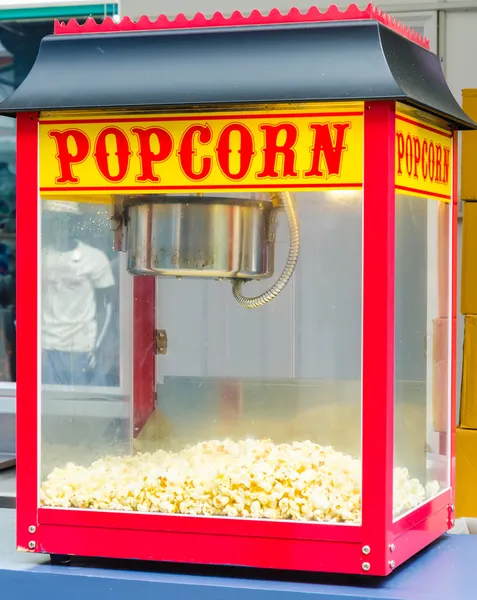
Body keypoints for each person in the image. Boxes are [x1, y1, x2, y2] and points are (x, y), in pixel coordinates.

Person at [41, 200, 115, 386]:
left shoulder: (94, 259)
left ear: (73, 223)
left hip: (81, 346)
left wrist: (98, 345)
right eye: (53, 220)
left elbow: (106, 305)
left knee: (80, 405)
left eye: (63, 220)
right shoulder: (39, 257)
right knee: (47, 405)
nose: (58, 226)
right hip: (45, 345)